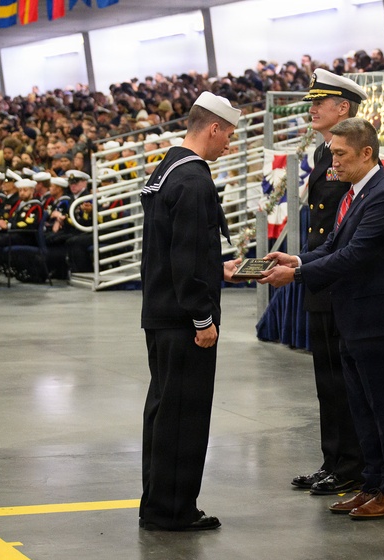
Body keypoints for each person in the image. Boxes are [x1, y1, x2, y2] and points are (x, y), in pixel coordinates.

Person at [259, 118, 384, 521]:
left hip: (377, 318)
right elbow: (331, 246)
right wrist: (295, 258)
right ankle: (373, 484)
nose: (333, 165)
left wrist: (296, 275)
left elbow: (354, 255)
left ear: (367, 153)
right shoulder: (358, 194)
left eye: (340, 155)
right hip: (354, 316)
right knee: (362, 407)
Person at [138, 92, 243, 532]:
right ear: (213, 127)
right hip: (185, 319)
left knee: (163, 411)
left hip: (160, 310)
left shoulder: (167, 168)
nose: (230, 146)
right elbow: (185, 258)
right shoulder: (196, 181)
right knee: (185, 416)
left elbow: (174, 249)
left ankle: (157, 502)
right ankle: (175, 510)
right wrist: (203, 319)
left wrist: (215, 266)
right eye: (229, 135)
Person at [289, 69, 368, 496]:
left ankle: (351, 463)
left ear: (344, 108)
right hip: (322, 275)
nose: (312, 108)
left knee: (343, 381)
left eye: (321, 102)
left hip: (340, 278)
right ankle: (333, 460)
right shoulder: (325, 155)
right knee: (327, 381)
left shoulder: (352, 158)